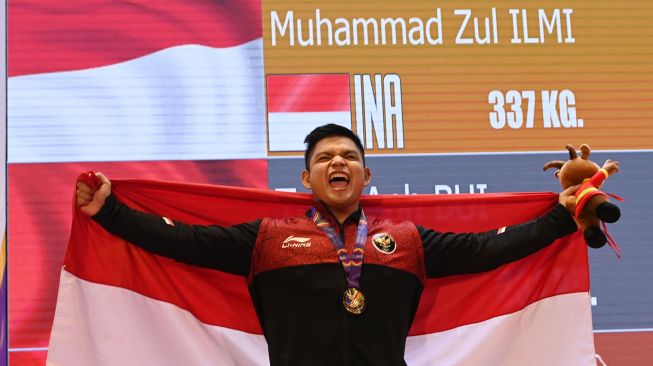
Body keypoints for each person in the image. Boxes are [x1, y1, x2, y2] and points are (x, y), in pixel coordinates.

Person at [76, 124, 580, 366]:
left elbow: (487, 250)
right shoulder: (266, 238)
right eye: (324, 158)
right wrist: (110, 210)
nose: (337, 163)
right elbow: (182, 240)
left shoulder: (406, 241)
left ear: (367, 173)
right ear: (306, 176)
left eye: (348, 156)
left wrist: (562, 216)